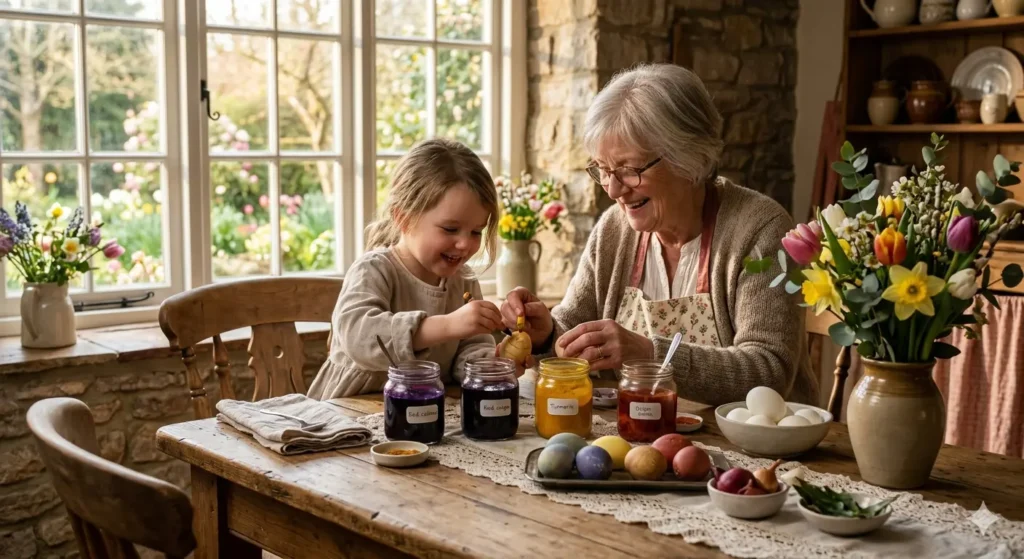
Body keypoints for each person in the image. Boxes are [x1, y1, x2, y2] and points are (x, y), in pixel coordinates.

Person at [499, 64, 818, 406]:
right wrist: (546, 333)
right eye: (603, 170)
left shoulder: (760, 230)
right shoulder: (614, 230)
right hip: (637, 436)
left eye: (629, 169)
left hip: (749, 447)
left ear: (689, 159)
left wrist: (649, 354)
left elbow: (768, 372)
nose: (613, 189)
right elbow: (573, 329)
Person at [307, 138, 504, 399]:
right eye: (450, 229)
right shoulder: (374, 269)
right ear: (404, 217)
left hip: (422, 414)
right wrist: (447, 325)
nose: (465, 243)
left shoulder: (464, 281)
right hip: (346, 416)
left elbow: (470, 349)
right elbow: (359, 337)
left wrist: (494, 367)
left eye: (476, 231)